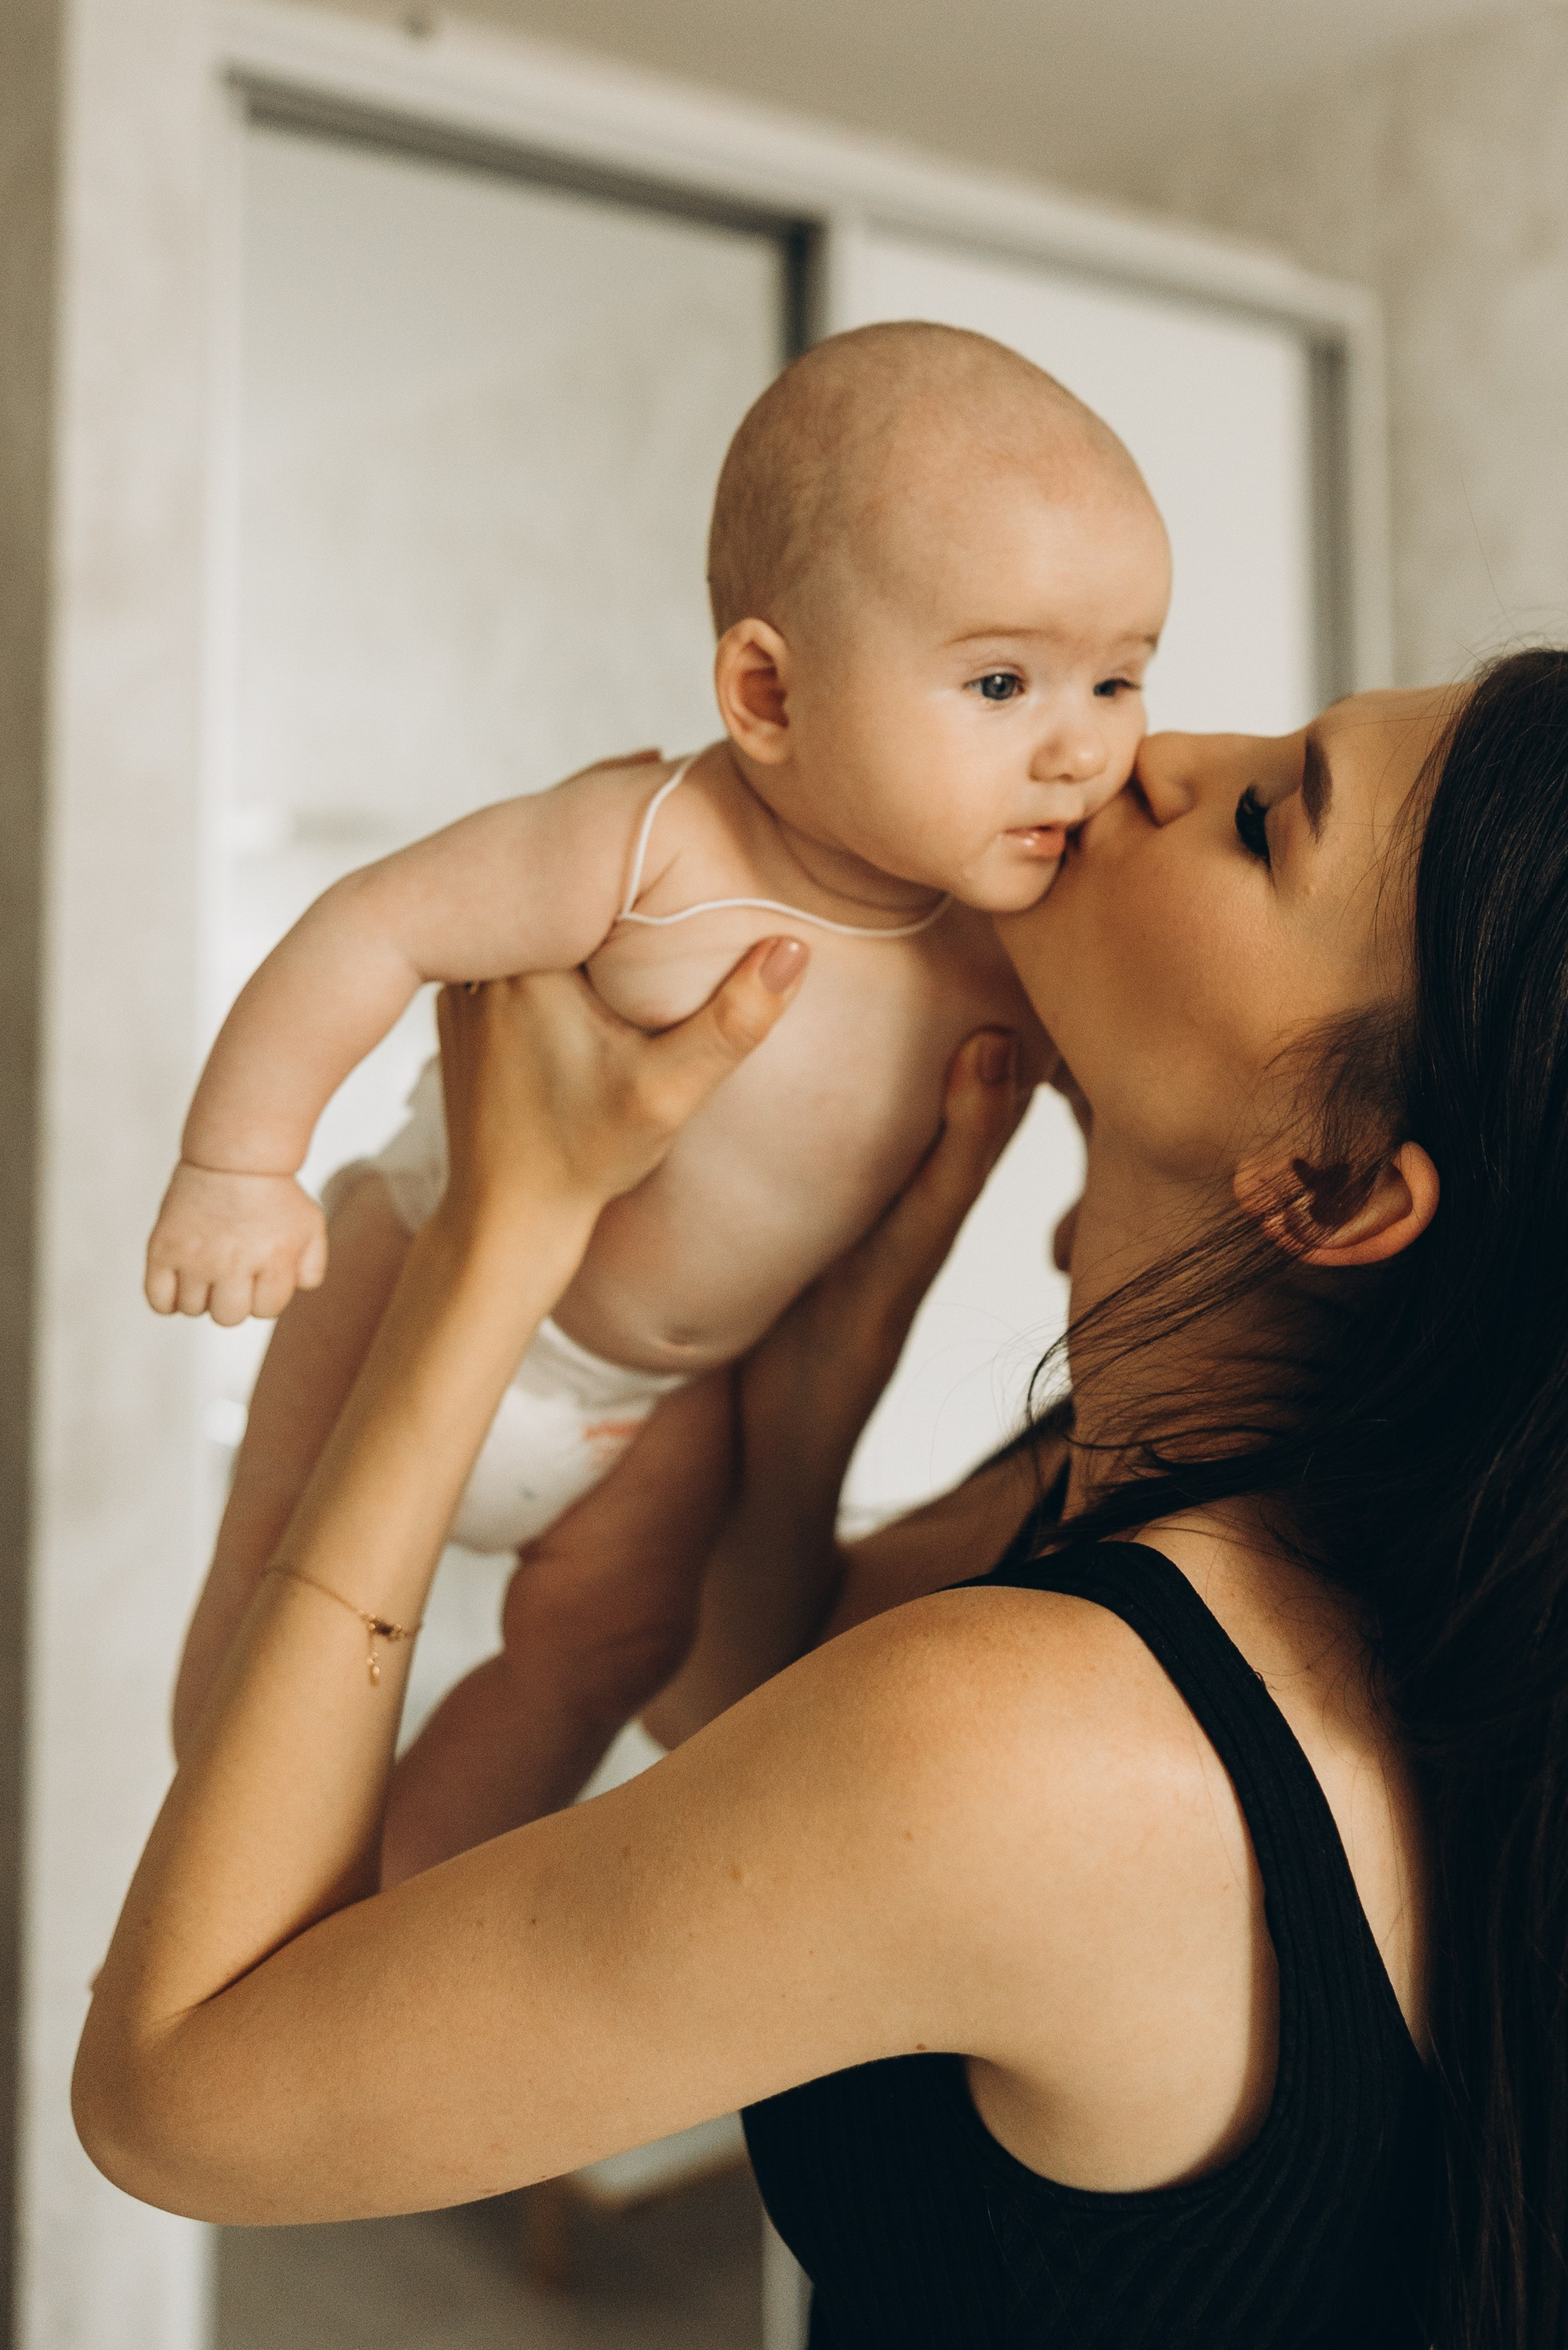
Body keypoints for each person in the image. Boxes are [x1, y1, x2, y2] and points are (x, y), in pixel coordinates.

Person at [77, 652, 1568, 2350]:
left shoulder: (1050, 1750)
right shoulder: (1276, 1553)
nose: (1149, 753)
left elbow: (179, 2096)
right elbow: (748, 1701)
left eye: (1262, 820)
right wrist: (843, 1331)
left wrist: (500, 1233)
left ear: (1329, 1188)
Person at [156, 324, 1168, 1751]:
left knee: (612, 1652)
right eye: (1004, 685)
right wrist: (239, 1168)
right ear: (769, 693)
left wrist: (1099, 1192)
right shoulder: (651, 843)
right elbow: (374, 924)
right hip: (416, 1264)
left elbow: (1123, 1093)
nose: (1081, 750)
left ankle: (424, 1893)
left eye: (1119, 680)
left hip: (655, 1401)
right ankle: (221, 1872)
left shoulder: (1014, 939)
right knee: (273, 1593)